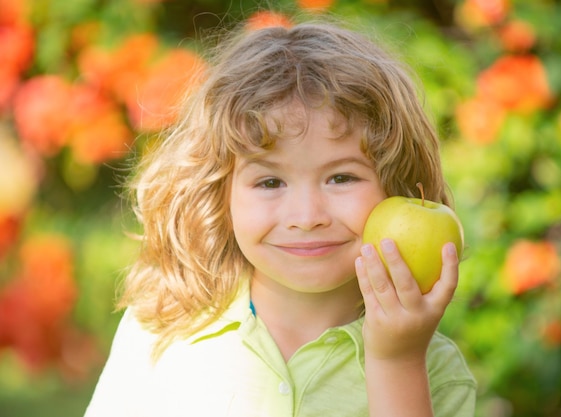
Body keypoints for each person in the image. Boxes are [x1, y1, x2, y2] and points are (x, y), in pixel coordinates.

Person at [84, 19, 476, 417]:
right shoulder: (162, 332)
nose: (306, 217)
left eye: (341, 177)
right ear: (220, 191)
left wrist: (397, 363)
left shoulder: (433, 371)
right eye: (270, 181)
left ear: (399, 187)